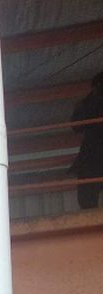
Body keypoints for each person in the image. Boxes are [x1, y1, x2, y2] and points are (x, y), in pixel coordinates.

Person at [71, 71, 103, 210]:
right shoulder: (92, 101)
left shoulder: (91, 100)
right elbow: (76, 124)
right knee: (87, 198)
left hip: (92, 155)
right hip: (92, 154)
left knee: (87, 197)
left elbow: (76, 125)